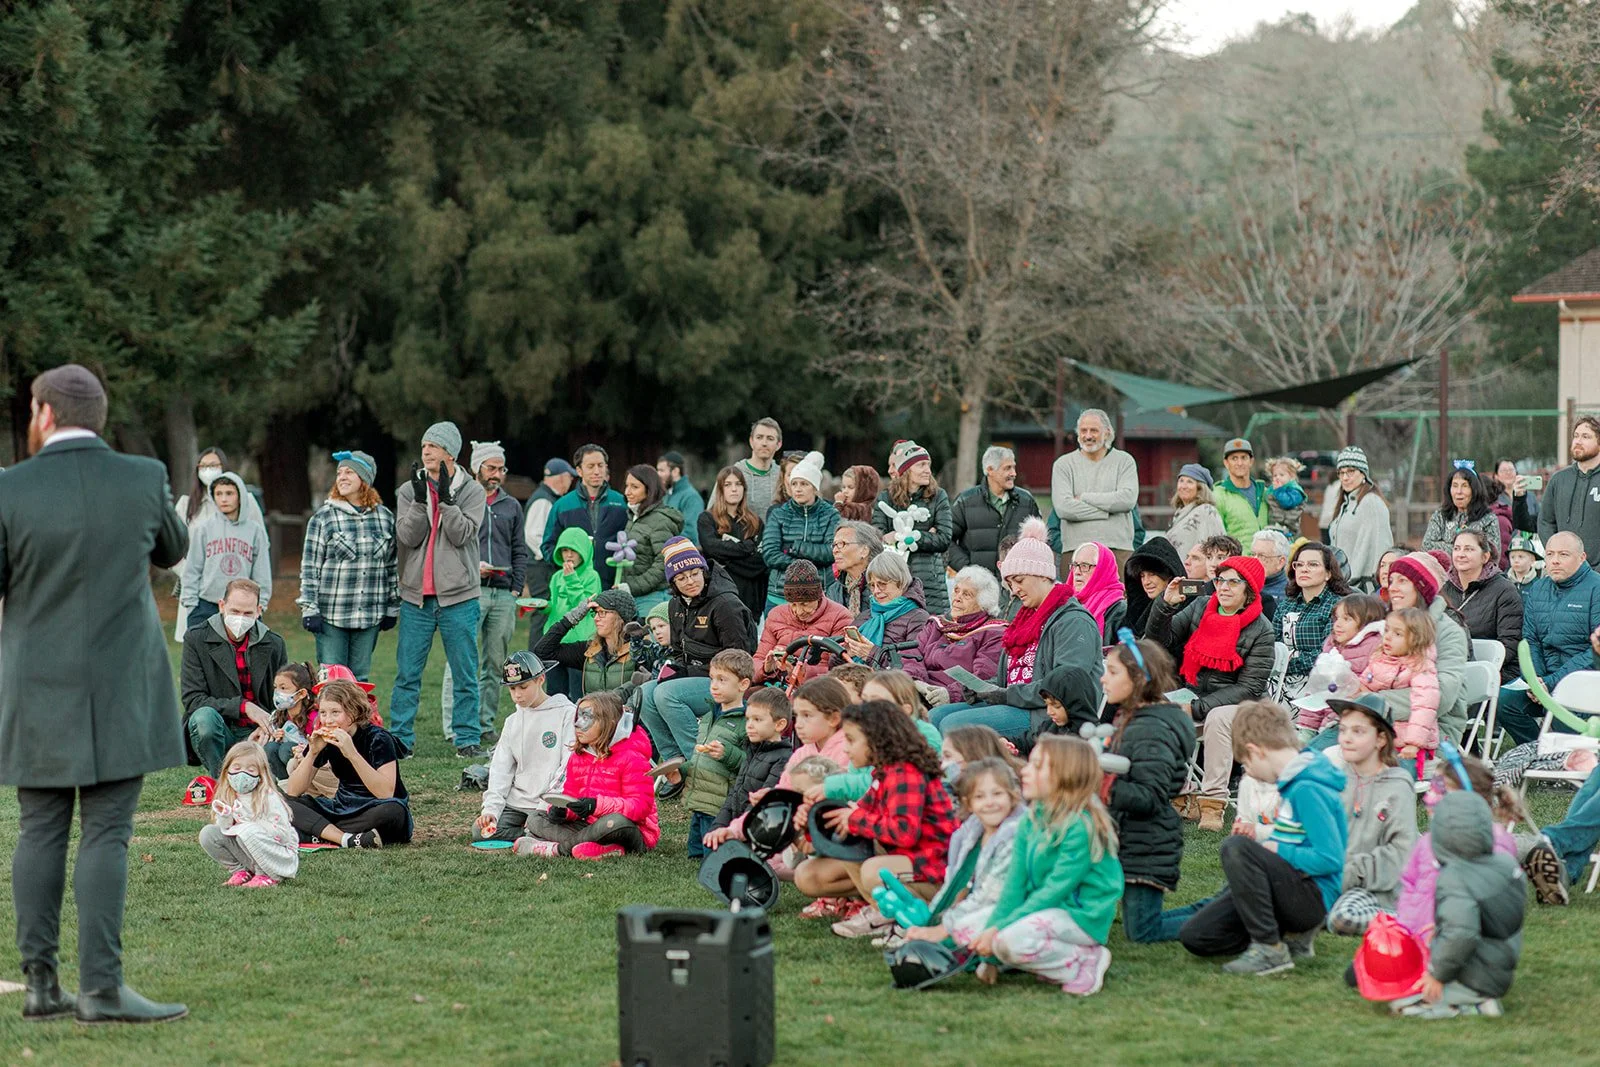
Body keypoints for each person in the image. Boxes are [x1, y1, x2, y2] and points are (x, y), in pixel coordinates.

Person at [0, 364, 190, 1024]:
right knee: (107, 831)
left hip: (36, 683)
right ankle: (103, 987)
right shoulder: (143, 479)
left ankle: (40, 984)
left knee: (40, 828)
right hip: (122, 683)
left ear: (46, 414)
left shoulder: (9, 488)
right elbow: (174, 545)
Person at [1178, 701, 1347, 974]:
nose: (1248, 772)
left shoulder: (1308, 788)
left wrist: (1274, 848)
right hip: (1285, 887)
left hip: (1312, 896)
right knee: (1196, 936)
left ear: (1255, 752)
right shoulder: (1293, 784)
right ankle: (1288, 938)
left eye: (1245, 764)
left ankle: (1270, 948)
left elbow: (1329, 859)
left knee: (1236, 847)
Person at [968, 736, 1123, 996]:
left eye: (1037, 766)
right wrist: (990, 952)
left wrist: (997, 932)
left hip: (1081, 917)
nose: (1025, 771)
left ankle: (1083, 960)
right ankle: (1036, 960)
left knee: (1007, 940)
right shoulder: (1030, 820)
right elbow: (1013, 887)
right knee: (973, 926)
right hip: (1046, 910)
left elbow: (1054, 890)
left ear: (1065, 776)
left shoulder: (1079, 828)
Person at [792, 701, 962, 938]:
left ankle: (905, 916)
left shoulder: (907, 773)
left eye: (851, 740)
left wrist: (854, 818)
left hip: (936, 870)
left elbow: (905, 832)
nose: (846, 750)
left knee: (874, 870)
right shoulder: (882, 774)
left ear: (878, 740)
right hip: (909, 862)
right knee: (837, 851)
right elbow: (854, 819)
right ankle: (880, 911)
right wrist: (810, 823)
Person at [932, 517, 1103, 744]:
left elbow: (1064, 688)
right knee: (935, 716)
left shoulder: (1073, 621)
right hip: (1018, 702)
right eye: (1010, 583)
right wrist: (981, 689)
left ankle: (972, 778)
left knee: (953, 725)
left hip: (1048, 714)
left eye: (1019, 580)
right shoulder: (1025, 619)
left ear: (1043, 574)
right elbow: (1010, 678)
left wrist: (1003, 694)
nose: (1014, 590)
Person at [1146, 556, 1276, 832]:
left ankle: (1213, 803)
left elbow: (1250, 688)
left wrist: (1196, 708)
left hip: (1241, 707)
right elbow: (1159, 642)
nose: (1224, 587)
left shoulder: (1261, 629)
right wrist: (1165, 606)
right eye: (1220, 580)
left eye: (1233, 582)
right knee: (1151, 706)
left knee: (1218, 717)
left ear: (1249, 589)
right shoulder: (1202, 607)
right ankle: (1180, 793)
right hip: (1194, 694)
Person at [390, 421, 487, 758]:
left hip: (459, 597)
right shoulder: (408, 490)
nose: (426, 450)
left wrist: (446, 500)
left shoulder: (472, 491)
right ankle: (400, 739)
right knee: (407, 673)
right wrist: (420, 503)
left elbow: (463, 535)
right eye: (423, 445)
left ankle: (467, 739)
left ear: (451, 452)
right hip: (415, 598)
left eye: (433, 445)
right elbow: (408, 537)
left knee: (464, 672)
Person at [1388, 791, 1524, 1019]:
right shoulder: (1505, 863)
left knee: (1401, 1002)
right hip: (1501, 965)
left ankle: (1470, 1005)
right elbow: (1487, 919)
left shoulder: (1456, 877)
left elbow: (1461, 934)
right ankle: (1477, 998)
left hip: (1472, 975)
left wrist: (1437, 974)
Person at [1099, 638, 1196, 944]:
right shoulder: (1132, 718)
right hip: (1128, 838)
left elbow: (1150, 796)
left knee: (1143, 931)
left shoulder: (1152, 729)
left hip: (1146, 843)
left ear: (1139, 679)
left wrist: (1099, 782)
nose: (1103, 678)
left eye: (1113, 672)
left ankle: (1230, 914)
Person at [640, 538, 753, 796]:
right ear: (673, 584)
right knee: (645, 694)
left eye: (694, 574)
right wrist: (676, 669)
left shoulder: (724, 604)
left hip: (729, 680)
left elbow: (740, 658)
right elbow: (679, 651)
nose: (690, 581)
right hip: (696, 675)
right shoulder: (675, 606)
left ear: (703, 571)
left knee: (666, 694)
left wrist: (694, 673)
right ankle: (675, 766)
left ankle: (704, 764)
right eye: (681, 578)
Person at [440, 441, 528, 743]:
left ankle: (485, 723)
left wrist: (516, 589)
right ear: (477, 468)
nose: (497, 474)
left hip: (503, 593)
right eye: (491, 468)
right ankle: (454, 726)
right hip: (468, 591)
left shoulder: (511, 505)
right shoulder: (460, 500)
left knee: (496, 662)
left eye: (501, 468)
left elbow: (520, 549)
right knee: (460, 660)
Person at [512, 691, 659, 859]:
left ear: (609, 724)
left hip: (628, 829)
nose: (577, 724)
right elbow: (572, 796)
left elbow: (640, 807)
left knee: (613, 823)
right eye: (578, 717)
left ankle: (555, 850)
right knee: (535, 818)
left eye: (587, 718)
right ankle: (602, 849)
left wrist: (595, 805)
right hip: (587, 825)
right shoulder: (578, 756)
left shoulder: (633, 757)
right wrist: (564, 812)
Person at [296, 450, 398, 681]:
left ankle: (358, 719)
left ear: (364, 479)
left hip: (370, 614)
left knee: (360, 678)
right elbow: (310, 568)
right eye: (339, 472)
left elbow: (391, 565)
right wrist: (309, 608)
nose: (341, 476)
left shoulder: (384, 517)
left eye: (349, 472)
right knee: (333, 678)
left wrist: (393, 606)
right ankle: (328, 718)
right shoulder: (323, 518)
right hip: (333, 614)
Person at [905, 759, 1024, 955]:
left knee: (964, 927)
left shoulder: (1015, 834)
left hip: (1011, 907)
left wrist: (944, 927)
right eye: (980, 796)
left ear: (1013, 796)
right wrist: (932, 917)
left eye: (997, 794)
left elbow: (993, 894)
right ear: (968, 803)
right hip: (981, 904)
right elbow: (954, 882)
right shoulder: (972, 833)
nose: (990, 803)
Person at [1323, 695, 1418, 936]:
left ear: (1380, 739)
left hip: (1377, 888)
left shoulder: (1397, 786)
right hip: (1334, 880)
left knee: (1343, 918)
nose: (1346, 738)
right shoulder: (1337, 779)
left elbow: (1399, 853)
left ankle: (1410, 918)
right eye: (1343, 730)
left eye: (1358, 731)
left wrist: (1349, 874)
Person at [180, 579, 290, 779]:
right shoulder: (196, 638)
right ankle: (221, 780)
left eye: (248, 613)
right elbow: (193, 699)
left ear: (258, 611)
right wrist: (244, 706)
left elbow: (284, 696)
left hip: (259, 731)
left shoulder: (274, 644)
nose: (241, 618)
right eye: (235, 611)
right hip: (221, 728)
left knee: (273, 778)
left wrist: (269, 724)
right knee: (203, 719)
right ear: (222, 606)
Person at [1399, 756, 1521, 933]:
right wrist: (1405, 921)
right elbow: (1409, 883)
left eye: (1441, 789)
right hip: (1416, 935)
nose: (1430, 797)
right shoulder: (1427, 842)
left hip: (1460, 941)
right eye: (1432, 787)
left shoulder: (1494, 843)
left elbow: (1493, 903)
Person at [1498, 531, 1600, 744]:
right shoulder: (1539, 588)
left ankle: (1570, 764)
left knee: (1564, 707)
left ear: (1582, 558)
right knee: (1503, 701)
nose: (1554, 560)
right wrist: (1538, 681)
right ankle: (1537, 754)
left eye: (1563, 554)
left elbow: (1594, 650)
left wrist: (1551, 683)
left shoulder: (1596, 588)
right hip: (1542, 679)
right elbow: (1531, 639)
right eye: (1550, 554)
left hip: (1582, 680)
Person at [284, 679, 412, 848]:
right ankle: (349, 839)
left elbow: (385, 792)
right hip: (341, 808)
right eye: (323, 713)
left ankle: (322, 834)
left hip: (375, 808)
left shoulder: (379, 738)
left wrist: (352, 754)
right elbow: (293, 791)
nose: (328, 720)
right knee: (283, 802)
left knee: (394, 811)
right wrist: (312, 753)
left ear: (353, 712)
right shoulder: (324, 740)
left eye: (335, 712)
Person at [473, 653, 577, 843]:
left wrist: (547, 804)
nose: (517, 695)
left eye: (523, 687)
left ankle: (537, 832)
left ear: (541, 679)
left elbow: (568, 765)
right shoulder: (512, 721)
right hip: (517, 803)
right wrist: (491, 810)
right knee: (480, 831)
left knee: (540, 824)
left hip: (549, 803)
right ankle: (533, 835)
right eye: (512, 689)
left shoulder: (566, 713)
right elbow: (500, 768)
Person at [172, 446, 265, 635]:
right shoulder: (186, 504)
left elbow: (260, 549)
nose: (208, 469)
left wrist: (259, 599)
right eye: (203, 465)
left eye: (213, 465)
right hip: (201, 594)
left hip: (241, 599)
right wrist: (190, 576)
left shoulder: (246, 501)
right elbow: (171, 548)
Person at [1382, 551, 1470, 747]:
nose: (1392, 588)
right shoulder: (1385, 625)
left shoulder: (1448, 632)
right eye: (1391, 580)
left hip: (1431, 734)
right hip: (1378, 725)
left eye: (1402, 581)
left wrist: (1369, 703)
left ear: (1421, 588)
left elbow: (1443, 697)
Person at [683, 649, 753, 860]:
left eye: (722, 680)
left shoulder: (747, 721)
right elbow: (699, 755)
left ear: (743, 684)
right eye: (712, 678)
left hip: (721, 800)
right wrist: (680, 770)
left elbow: (749, 763)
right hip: (702, 792)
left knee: (712, 848)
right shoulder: (708, 715)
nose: (714, 685)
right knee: (695, 846)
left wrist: (726, 753)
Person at [198, 741, 298, 888]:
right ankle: (241, 871)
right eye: (236, 768)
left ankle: (265, 874)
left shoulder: (268, 797)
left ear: (261, 774)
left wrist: (250, 826)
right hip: (250, 850)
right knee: (208, 833)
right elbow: (225, 829)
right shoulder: (229, 794)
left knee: (245, 831)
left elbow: (283, 835)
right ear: (227, 770)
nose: (241, 775)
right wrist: (226, 816)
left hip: (278, 857)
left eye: (250, 770)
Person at [873, 440, 954, 616]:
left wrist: (913, 537)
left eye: (928, 465)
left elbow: (944, 538)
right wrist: (927, 533)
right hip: (895, 580)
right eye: (921, 465)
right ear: (906, 469)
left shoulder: (938, 496)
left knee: (933, 632)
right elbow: (877, 538)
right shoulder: (886, 498)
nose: (928, 470)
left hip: (931, 583)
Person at [704, 689, 794, 846]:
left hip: (756, 836)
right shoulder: (752, 750)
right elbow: (735, 793)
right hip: (736, 829)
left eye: (757, 720)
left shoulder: (784, 759)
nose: (749, 725)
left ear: (779, 724)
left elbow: (762, 804)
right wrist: (717, 826)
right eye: (748, 719)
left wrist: (735, 832)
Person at [906, 567, 1006, 704]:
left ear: (984, 603)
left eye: (967, 594)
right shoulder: (936, 624)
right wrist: (916, 681)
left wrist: (951, 694)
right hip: (919, 691)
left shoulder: (994, 633)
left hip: (956, 699)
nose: (957, 598)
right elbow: (912, 653)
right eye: (956, 590)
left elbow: (982, 677)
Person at [1051, 408, 1138, 564]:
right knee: (1077, 590)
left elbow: (1127, 500)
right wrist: (1109, 511)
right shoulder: (1063, 465)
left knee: (1119, 590)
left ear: (1107, 432)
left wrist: (1084, 497)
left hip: (1118, 549)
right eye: (1083, 430)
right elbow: (1064, 508)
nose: (1088, 436)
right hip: (1075, 550)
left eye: (1094, 430)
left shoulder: (1125, 461)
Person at [1297, 594, 1385, 744]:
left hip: (1352, 724)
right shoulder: (1331, 649)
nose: (1337, 624)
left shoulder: (1375, 647)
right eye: (1337, 618)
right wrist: (1307, 729)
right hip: (1326, 722)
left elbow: (1374, 689)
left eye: (1347, 619)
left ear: (1367, 623)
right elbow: (1316, 692)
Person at [542, 443, 628, 590]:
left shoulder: (621, 503)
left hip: (612, 586)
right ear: (579, 471)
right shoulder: (562, 505)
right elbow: (548, 546)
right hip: (574, 586)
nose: (597, 471)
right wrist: (565, 564)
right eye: (591, 466)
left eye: (601, 466)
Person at [753, 560, 854, 685]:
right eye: (793, 604)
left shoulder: (839, 617)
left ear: (817, 597)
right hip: (777, 683)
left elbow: (841, 670)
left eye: (804, 604)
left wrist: (803, 671)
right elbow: (757, 662)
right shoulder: (776, 615)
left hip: (818, 688)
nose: (799, 611)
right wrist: (766, 668)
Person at [760, 451, 839, 610]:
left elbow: (832, 551)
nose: (797, 489)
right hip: (780, 595)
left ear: (814, 487)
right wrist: (803, 566)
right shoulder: (778, 514)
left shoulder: (831, 514)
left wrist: (795, 547)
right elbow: (769, 554)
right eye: (794, 483)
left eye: (804, 484)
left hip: (820, 594)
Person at [1442, 528, 1523, 683]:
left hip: (1496, 671)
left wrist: (1476, 669)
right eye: (1457, 548)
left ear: (1485, 557)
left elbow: (1510, 643)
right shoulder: (1444, 589)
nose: (1461, 554)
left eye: (1469, 549)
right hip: (1451, 668)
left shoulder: (1504, 590)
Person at [531, 587, 642, 699]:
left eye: (602, 612)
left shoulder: (639, 650)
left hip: (627, 715)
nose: (596, 618)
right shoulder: (590, 650)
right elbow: (542, 651)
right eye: (595, 613)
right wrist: (574, 616)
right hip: (591, 714)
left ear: (620, 617)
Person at [948, 446, 1039, 578]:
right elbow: (946, 539)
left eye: (1014, 467)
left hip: (1017, 584)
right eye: (1007, 468)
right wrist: (968, 568)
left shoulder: (1027, 501)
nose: (1014, 473)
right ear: (990, 470)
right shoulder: (966, 501)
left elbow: (1038, 543)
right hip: (977, 585)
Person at [1275, 541, 1348, 695]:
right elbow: (1273, 646)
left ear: (1328, 573)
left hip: (1318, 682)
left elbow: (1325, 654)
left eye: (1313, 565)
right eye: (1299, 565)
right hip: (1278, 680)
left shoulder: (1337, 606)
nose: (1304, 569)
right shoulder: (1286, 605)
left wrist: (1285, 664)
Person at [839, 551, 930, 671]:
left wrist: (871, 654)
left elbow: (913, 666)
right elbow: (834, 666)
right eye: (872, 585)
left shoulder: (918, 617)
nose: (876, 591)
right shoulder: (865, 615)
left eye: (882, 584)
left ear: (901, 582)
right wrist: (843, 653)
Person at [698, 465, 768, 620]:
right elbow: (711, 549)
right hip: (721, 596)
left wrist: (727, 561)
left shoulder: (755, 522)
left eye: (738, 484)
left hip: (752, 599)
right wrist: (746, 548)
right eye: (728, 485)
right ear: (720, 489)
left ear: (744, 488)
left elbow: (761, 561)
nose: (734, 489)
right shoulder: (707, 519)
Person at [619, 463, 685, 615]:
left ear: (649, 490)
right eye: (627, 486)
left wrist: (632, 586)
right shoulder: (634, 516)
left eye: (635, 487)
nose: (627, 492)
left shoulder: (659, 520)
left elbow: (663, 562)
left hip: (652, 598)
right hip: (634, 597)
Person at [1327, 446, 1393, 588]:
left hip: (1361, 586)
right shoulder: (1345, 504)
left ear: (1363, 474)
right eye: (1341, 472)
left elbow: (1379, 547)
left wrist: (1360, 582)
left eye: (1351, 471)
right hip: (1341, 583)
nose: (1345, 477)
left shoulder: (1371, 502)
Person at [1538, 414, 1600, 566]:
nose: (1578, 441)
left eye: (1586, 436)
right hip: (1565, 575)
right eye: (1576, 436)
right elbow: (1545, 522)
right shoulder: (1558, 479)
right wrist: (1557, 556)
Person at [539, 527, 604, 650]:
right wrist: (545, 607)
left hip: (581, 640)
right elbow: (555, 604)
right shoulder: (557, 576)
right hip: (556, 638)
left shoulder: (592, 577)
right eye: (565, 550)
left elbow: (584, 607)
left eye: (574, 550)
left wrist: (571, 579)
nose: (569, 555)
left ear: (584, 551)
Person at [521, 458, 577, 599]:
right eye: (570, 477)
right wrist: (552, 557)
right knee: (543, 610)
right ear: (561, 478)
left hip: (542, 566)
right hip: (541, 567)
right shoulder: (543, 500)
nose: (571, 482)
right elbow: (532, 535)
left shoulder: (548, 498)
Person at [1422, 467, 1504, 563]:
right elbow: (1426, 547)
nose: (1459, 491)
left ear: (1474, 490)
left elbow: (1491, 555)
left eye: (1465, 486)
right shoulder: (1440, 515)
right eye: (1455, 486)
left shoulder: (1488, 519)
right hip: (1443, 574)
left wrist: (1444, 546)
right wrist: (1468, 549)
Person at [261, 662, 318, 780]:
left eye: (283, 688)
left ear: (301, 693)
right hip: (290, 762)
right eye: (275, 687)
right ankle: (285, 785)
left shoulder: (313, 718)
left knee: (286, 749)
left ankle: (304, 787)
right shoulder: (280, 715)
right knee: (270, 748)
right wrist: (279, 737)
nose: (277, 693)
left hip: (311, 764)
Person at [1062, 541, 1125, 641]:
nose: (1077, 572)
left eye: (1084, 566)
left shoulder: (1118, 610)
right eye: (1075, 565)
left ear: (1102, 570)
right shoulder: (1063, 604)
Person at [1121, 537, 1184, 637]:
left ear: (1169, 575)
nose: (1146, 582)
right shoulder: (1137, 611)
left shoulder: (1186, 608)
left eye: (1152, 574)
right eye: (1142, 576)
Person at [1214, 438, 1270, 543]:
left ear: (1251, 461)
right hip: (1238, 558)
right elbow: (1216, 536)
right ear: (1226, 463)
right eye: (1234, 458)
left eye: (1244, 458)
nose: (1240, 463)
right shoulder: (1218, 495)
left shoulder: (1264, 492)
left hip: (1265, 558)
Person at [1164, 463, 1225, 559]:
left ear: (1200, 488)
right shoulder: (1179, 514)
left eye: (1189, 482)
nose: (1183, 486)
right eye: (1181, 481)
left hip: (1197, 571)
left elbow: (1216, 548)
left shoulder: (1207, 511)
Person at [727, 417, 784, 519]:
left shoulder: (783, 476)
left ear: (778, 445)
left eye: (770, 438)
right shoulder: (733, 474)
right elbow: (714, 512)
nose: (764, 443)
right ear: (751, 441)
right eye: (759, 437)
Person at [825, 520, 883, 616]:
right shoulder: (834, 590)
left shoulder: (884, 586)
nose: (835, 550)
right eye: (834, 545)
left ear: (864, 551)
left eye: (842, 544)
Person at [656, 451, 704, 545]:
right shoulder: (666, 495)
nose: (658, 474)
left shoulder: (692, 497)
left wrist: (660, 538)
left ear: (675, 471)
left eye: (662, 470)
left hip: (684, 555)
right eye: (657, 470)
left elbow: (691, 533)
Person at [1265, 456, 1308, 538]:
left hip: (1289, 527)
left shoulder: (1295, 491)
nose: (1277, 477)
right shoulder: (1274, 489)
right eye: (1275, 475)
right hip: (1275, 525)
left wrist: (1278, 490)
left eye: (1281, 475)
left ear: (1292, 477)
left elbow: (1287, 503)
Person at [1250, 529, 1290, 606]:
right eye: (1252, 554)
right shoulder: (1242, 585)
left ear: (1281, 562)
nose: (1254, 560)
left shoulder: (1289, 595)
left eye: (1262, 556)